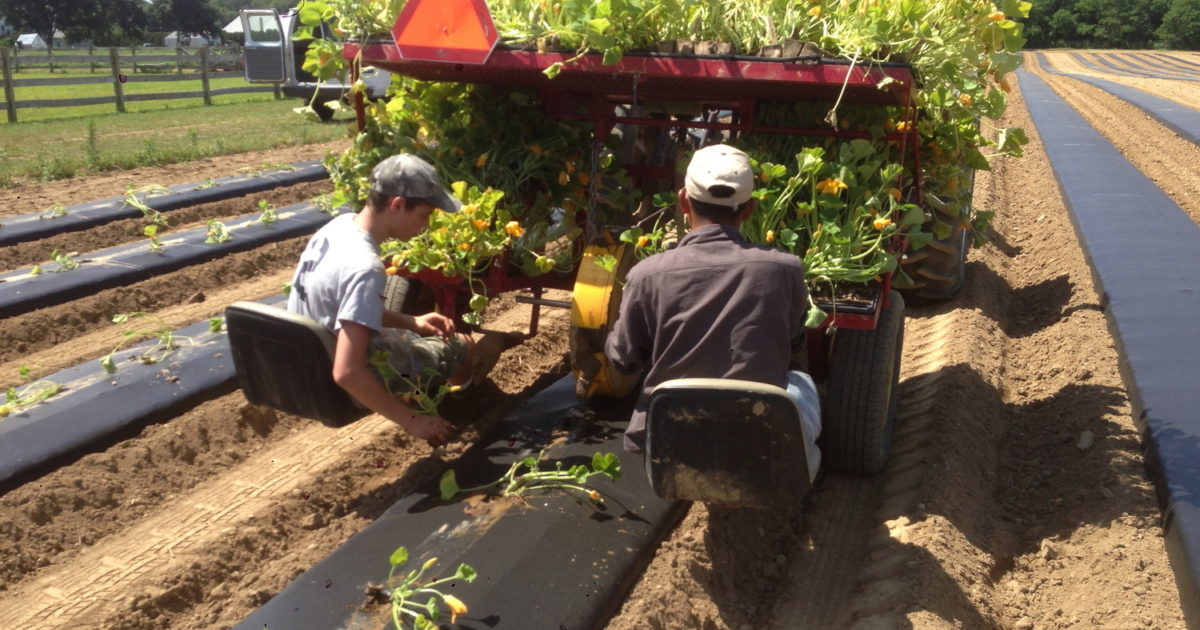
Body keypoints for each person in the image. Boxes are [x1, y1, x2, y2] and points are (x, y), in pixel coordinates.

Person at [604, 144, 821, 459]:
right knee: (800, 379)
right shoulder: (786, 268)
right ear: (749, 209)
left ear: (683, 201)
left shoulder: (646, 275)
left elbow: (623, 360)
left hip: (668, 434)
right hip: (758, 430)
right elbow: (790, 339)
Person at [287, 153, 502, 446]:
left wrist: (411, 321)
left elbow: (340, 305)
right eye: (424, 215)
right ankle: (461, 406)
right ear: (397, 204)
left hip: (307, 361)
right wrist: (412, 422)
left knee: (423, 336)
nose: (425, 226)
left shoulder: (337, 228)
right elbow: (347, 373)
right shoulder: (366, 266)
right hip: (344, 371)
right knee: (461, 345)